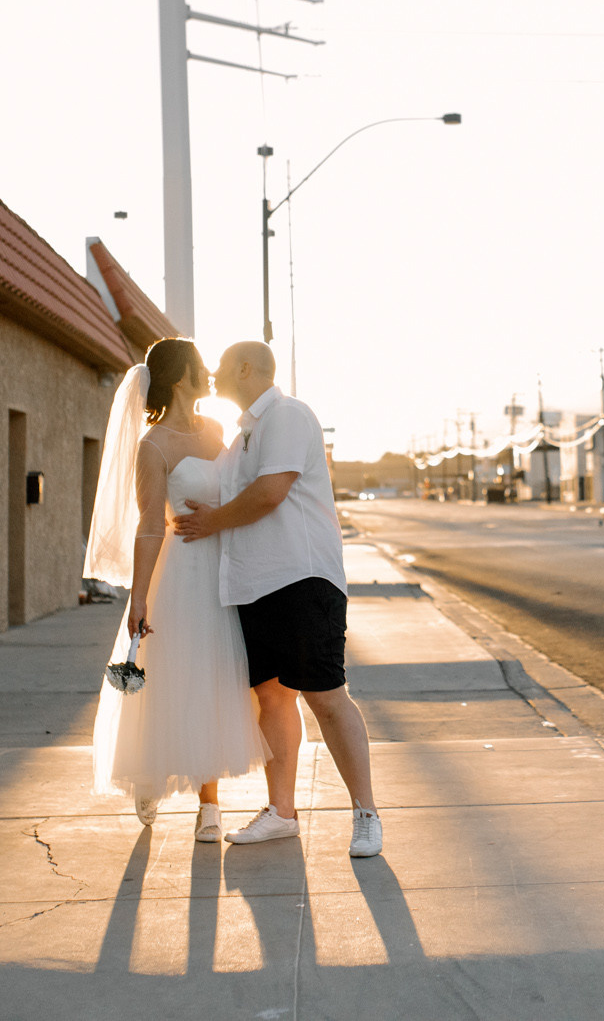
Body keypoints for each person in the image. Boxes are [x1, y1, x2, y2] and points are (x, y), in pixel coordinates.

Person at [173, 342, 383, 858]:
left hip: (302, 579)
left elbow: (271, 492)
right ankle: (282, 812)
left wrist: (210, 522)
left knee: (327, 697)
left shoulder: (288, 415)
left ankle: (366, 814)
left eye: (221, 368)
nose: (214, 376)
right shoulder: (241, 434)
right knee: (272, 699)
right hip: (252, 585)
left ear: (246, 369)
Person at [86, 339, 265, 842]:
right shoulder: (153, 445)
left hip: (222, 569)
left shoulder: (216, 431)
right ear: (180, 376)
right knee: (170, 678)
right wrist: (139, 596)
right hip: (178, 571)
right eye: (201, 365)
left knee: (214, 678)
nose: (210, 371)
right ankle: (151, 772)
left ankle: (210, 804)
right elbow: (149, 525)